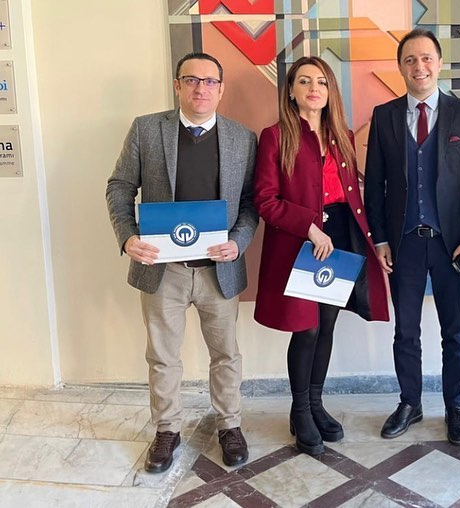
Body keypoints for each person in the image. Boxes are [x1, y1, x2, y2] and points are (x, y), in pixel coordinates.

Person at [106, 52, 257, 472]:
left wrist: (239, 242)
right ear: (177, 86)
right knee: (162, 356)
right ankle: (167, 430)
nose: (200, 88)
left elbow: (250, 203)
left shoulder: (243, 138)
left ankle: (229, 425)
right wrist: (128, 237)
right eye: (191, 80)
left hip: (218, 270)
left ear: (221, 90)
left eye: (210, 81)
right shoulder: (146, 129)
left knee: (226, 354)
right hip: (163, 270)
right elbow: (119, 186)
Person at [252, 56, 389, 456]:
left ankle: (315, 404)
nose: (314, 88)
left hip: (340, 235)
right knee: (306, 328)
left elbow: (350, 192)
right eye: (304, 81)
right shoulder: (275, 136)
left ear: (330, 92)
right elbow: (265, 199)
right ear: (291, 91)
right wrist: (310, 228)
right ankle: (299, 411)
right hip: (301, 242)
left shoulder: (341, 134)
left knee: (327, 324)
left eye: (322, 82)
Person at [364, 28, 460, 445]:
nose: (419, 66)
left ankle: (455, 407)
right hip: (404, 243)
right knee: (406, 331)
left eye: (426, 58)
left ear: (439, 63)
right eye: (410, 60)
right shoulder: (384, 115)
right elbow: (375, 184)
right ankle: (410, 402)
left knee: (455, 332)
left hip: (452, 244)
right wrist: (380, 238)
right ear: (401, 67)